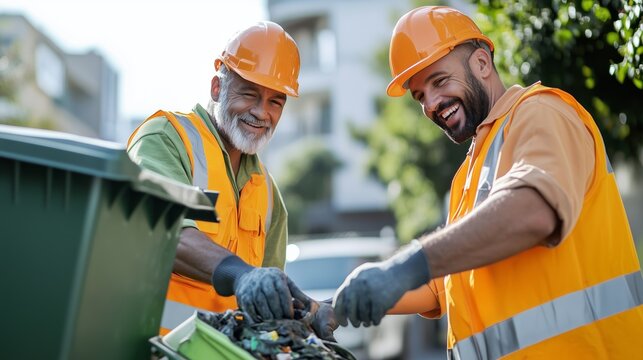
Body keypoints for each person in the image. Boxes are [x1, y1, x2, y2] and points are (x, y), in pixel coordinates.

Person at [333, 6, 643, 359]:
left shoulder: (542, 113)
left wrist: (405, 267)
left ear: (482, 64)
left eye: (439, 81)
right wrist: (331, 308)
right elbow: (439, 285)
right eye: (420, 96)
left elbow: (533, 210)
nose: (432, 103)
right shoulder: (468, 173)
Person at [127, 21, 336, 340]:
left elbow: (267, 292)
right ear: (216, 87)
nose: (261, 112)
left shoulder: (268, 194)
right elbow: (161, 231)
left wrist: (308, 314)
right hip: (150, 347)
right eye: (249, 93)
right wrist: (242, 276)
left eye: (275, 101)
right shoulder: (167, 140)